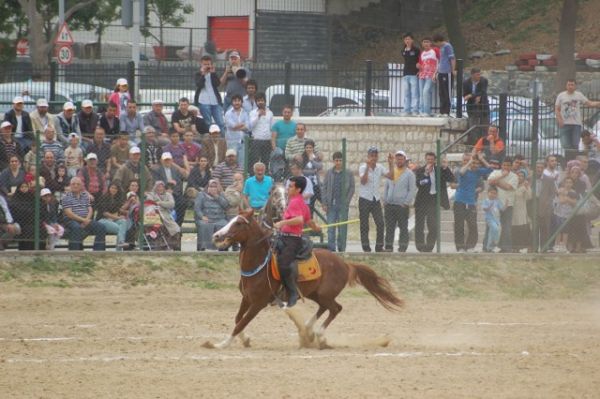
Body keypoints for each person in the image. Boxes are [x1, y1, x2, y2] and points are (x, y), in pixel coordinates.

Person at [273, 175, 321, 308]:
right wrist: (316, 227)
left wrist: (282, 222)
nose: (288, 188)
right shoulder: (300, 202)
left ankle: (292, 293)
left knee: (283, 263)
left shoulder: (295, 202)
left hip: (292, 239)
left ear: (298, 189)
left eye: (291, 186)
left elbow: (300, 220)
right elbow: (308, 220)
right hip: (284, 236)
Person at [414, 152, 454, 252]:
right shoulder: (420, 170)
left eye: (432, 159)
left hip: (433, 200)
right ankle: (420, 246)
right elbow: (419, 184)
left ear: (435, 160)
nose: (430, 161)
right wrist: (426, 174)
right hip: (422, 200)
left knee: (433, 225)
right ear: (425, 159)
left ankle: (429, 246)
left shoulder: (439, 170)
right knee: (419, 225)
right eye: (428, 159)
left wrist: (445, 167)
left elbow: (452, 179)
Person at [453, 152, 491, 252]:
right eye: (471, 162)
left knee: (473, 225)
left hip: (471, 202)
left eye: (475, 163)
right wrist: (469, 162)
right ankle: (460, 247)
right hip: (459, 201)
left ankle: (470, 246)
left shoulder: (477, 172)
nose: (473, 165)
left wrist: (482, 159)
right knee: (459, 225)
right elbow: (461, 172)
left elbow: (490, 169)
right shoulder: (461, 170)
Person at [358, 146, 394, 252]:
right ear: (368, 156)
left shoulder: (380, 167)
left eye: (375, 155)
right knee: (364, 224)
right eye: (371, 155)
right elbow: (363, 181)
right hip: (364, 198)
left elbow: (391, 177)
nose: (373, 158)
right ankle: (366, 246)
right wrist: (367, 168)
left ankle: (379, 246)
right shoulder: (363, 167)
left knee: (380, 223)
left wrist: (391, 163)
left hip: (375, 198)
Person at [555, 79, 600, 161]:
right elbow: (557, 109)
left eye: (572, 85)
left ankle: (574, 162)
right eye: (569, 85)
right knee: (566, 145)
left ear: (575, 86)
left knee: (575, 145)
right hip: (565, 124)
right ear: (566, 86)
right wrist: (559, 120)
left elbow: (589, 103)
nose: (570, 86)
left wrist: (598, 103)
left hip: (576, 124)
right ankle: (568, 162)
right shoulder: (561, 96)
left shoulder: (578, 95)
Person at [382, 150, 416, 252]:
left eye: (401, 158)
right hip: (390, 205)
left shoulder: (410, 174)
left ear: (405, 160)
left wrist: (406, 203)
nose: (399, 160)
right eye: (397, 158)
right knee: (389, 227)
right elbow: (386, 187)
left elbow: (412, 190)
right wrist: (385, 200)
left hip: (402, 206)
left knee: (403, 227)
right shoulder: (392, 171)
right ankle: (388, 247)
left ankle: (402, 247)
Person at [321, 152, 355, 253]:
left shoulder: (348, 173)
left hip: (343, 205)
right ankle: (332, 249)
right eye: (336, 160)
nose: (338, 162)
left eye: (340, 160)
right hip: (331, 205)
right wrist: (324, 203)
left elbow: (352, 188)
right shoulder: (329, 173)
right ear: (333, 161)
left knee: (342, 228)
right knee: (331, 228)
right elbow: (324, 187)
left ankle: (341, 249)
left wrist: (347, 201)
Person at [61, 177, 106, 251]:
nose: (75, 186)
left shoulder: (85, 195)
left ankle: (98, 252)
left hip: (85, 219)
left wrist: (86, 220)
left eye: (78, 184)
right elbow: (69, 213)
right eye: (73, 184)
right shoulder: (66, 197)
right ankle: (74, 252)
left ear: (81, 186)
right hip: (71, 220)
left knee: (101, 227)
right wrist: (83, 220)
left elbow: (90, 209)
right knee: (76, 228)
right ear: (70, 185)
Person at [487, 157, 518, 252]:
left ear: (511, 166)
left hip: (508, 205)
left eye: (508, 165)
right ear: (502, 165)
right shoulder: (496, 172)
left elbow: (508, 187)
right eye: (504, 165)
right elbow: (489, 181)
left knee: (506, 227)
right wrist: (501, 176)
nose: (506, 167)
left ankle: (505, 247)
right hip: (494, 204)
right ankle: (488, 247)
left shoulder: (514, 176)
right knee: (492, 226)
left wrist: (496, 182)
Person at [194, 179, 229, 251]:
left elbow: (225, 205)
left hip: (219, 218)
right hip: (206, 218)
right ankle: (203, 247)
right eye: (211, 186)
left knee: (224, 225)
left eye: (215, 187)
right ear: (207, 187)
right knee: (204, 225)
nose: (213, 188)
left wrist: (216, 196)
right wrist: (202, 216)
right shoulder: (201, 195)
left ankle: (222, 247)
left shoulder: (221, 194)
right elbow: (197, 208)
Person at [145, 181, 181, 250]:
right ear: (155, 187)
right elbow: (150, 203)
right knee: (159, 226)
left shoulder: (168, 195)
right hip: (154, 214)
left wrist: (160, 203)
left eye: (161, 187)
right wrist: (164, 204)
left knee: (175, 228)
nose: (160, 188)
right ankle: (161, 246)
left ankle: (173, 246)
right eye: (158, 187)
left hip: (166, 215)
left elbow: (171, 204)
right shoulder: (151, 194)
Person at [153, 152, 186, 226]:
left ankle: (178, 225)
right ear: (162, 161)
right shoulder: (156, 170)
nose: (167, 161)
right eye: (165, 160)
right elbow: (156, 183)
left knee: (182, 203)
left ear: (171, 160)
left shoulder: (176, 170)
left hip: (174, 193)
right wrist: (166, 188)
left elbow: (179, 184)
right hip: (162, 194)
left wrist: (172, 190)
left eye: (169, 160)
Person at [194, 55, 225, 133]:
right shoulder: (198, 74)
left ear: (211, 64)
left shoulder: (213, 73)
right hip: (203, 102)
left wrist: (213, 74)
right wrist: (203, 74)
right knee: (208, 123)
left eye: (208, 64)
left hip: (215, 101)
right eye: (205, 64)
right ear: (201, 64)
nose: (207, 66)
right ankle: (210, 142)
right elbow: (199, 85)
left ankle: (222, 141)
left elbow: (217, 84)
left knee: (220, 123)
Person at [95, 183, 129, 250]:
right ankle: (121, 243)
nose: (113, 189)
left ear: (117, 190)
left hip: (112, 220)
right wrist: (118, 218)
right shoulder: (104, 197)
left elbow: (119, 210)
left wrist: (130, 202)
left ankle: (119, 246)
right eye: (112, 188)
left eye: (115, 188)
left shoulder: (116, 199)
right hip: (102, 220)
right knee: (119, 228)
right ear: (109, 188)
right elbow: (105, 213)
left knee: (124, 221)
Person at [248, 92, 274, 171]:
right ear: (256, 102)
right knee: (254, 160)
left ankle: (265, 175)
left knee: (265, 161)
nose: (260, 102)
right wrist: (258, 115)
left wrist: (272, 141)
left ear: (265, 101)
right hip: (256, 140)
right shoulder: (252, 113)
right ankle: (253, 176)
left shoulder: (270, 113)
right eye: (258, 100)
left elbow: (272, 128)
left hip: (267, 140)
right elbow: (250, 126)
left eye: (262, 100)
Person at [463, 67, 489, 143]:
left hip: (483, 105)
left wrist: (472, 95)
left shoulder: (484, 81)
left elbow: (483, 92)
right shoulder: (466, 83)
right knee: (473, 126)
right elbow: (465, 95)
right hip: (472, 106)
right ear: (472, 75)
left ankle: (484, 144)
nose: (479, 76)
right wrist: (474, 97)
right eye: (477, 75)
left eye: (479, 74)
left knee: (485, 126)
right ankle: (475, 144)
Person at [8, 182, 36, 250]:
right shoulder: (15, 198)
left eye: (25, 187)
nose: (24, 189)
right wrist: (27, 210)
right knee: (25, 229)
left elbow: (35, 209)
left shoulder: (31, 197)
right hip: (19, 221)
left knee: (31, 228)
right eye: (22, 187)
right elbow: (14, 209)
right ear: (19, 188)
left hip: (30, 221)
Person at [224, 94, 250, 168]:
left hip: (243, 142)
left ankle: (240, 179)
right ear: (232, 102)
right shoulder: (228, 113)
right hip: (232, 142)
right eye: (235, 101)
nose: (237, 103)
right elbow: (232, 125)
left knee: (242, 164)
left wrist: (236, 127)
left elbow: (248, 126)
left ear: (241, 102)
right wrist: (242, 124)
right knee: (231, 163)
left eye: (239, 101)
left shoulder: (245, 113)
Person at [432, 33, 455, 116]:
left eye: (436, 43)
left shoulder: (447, 46)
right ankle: (442, 111)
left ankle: (447, 111)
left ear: (438, 41)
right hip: (441, 72)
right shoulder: (441, 48)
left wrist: (452, 70)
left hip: (447, 72)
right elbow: (440, 61)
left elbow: (452, 58)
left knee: (447, 92)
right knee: (441, 92)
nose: (436, 45)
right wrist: (436, 72)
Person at [512, 169, 532, 252]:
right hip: (512, 210)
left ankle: (519, 247)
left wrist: (527, 187)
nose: (520, 177)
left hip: (521, 210)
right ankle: (514, 247)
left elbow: (529, 197)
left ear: (524, 177)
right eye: (518, 175)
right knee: (513, 228)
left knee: (520, 228)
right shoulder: (512, 185)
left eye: (522, 176)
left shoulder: (525, 186)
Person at [417, 37, 438, 117]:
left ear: (430, 43)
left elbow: (439, 61)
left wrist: (436, 73)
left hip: (431, 74)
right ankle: (422, 111)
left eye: (427, 42)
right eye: (424, 42)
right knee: (422, 94)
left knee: (426, 92)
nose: (426, 43)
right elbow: (420, 64)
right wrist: (418, 66)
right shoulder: (422, 53)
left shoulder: (435, 50)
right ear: (422, 44)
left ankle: (426, 112)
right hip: (422, 75)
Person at [300, 139, 323, 212]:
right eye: (307, 147)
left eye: (310, 147)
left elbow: (320, 166)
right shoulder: (302, 158)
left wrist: (312, 161)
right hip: (307, 186)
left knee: (324, 201)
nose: (309, 149)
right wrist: (313, 171)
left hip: (316, 185)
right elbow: (302, 171)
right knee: (310, 207)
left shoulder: (316, 157)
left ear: (313, 148)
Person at [401, 32, 420, 115]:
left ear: (412, 40)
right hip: (406, 74)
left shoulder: (416, 50)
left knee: (414, 93)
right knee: (406, 93)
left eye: (409, 39)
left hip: (414, 74)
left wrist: (419, 70)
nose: (407, 41)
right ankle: (406, 110)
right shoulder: (403, 51)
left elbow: (420, 60)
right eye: (405, 39)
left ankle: (415, 110)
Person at [482, 186, 503, 252]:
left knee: (493, 232)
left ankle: (490, 247)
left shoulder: (497, 201)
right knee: (495, 229)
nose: (493, 194)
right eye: (491, 193)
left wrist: (506, 204)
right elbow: (484, 209)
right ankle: (491, 246)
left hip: (496, 220)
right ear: (488, 193)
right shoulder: (486, 200)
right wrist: (489, 207)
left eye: (494, 193)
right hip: (489, 219)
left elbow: (502, 209)